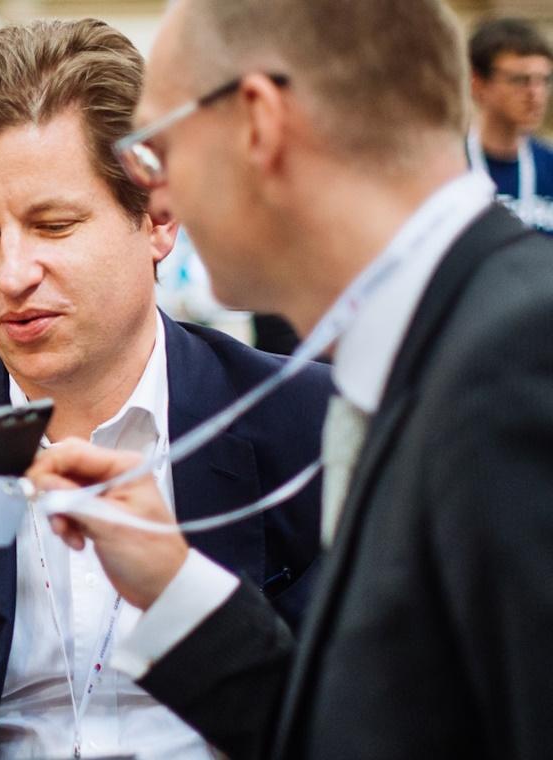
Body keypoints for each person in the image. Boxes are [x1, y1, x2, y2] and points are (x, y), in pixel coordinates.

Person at [0, 19, 332, 759]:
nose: (11, 274)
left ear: (159, 219)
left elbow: (368, 717)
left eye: (53, 225)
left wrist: (182, 594)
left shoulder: (309, 429)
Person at [31, 0, 553, 758]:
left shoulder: (518, 356)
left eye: (155, 147)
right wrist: (174, 586)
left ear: (257, 122)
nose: (159, 194)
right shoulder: (443, 344)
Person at [468, 17, 553, 233]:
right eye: (519, 80)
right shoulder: (451, 167)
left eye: (543, 80)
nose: (536, 94)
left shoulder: (548, 166)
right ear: (477, 83)